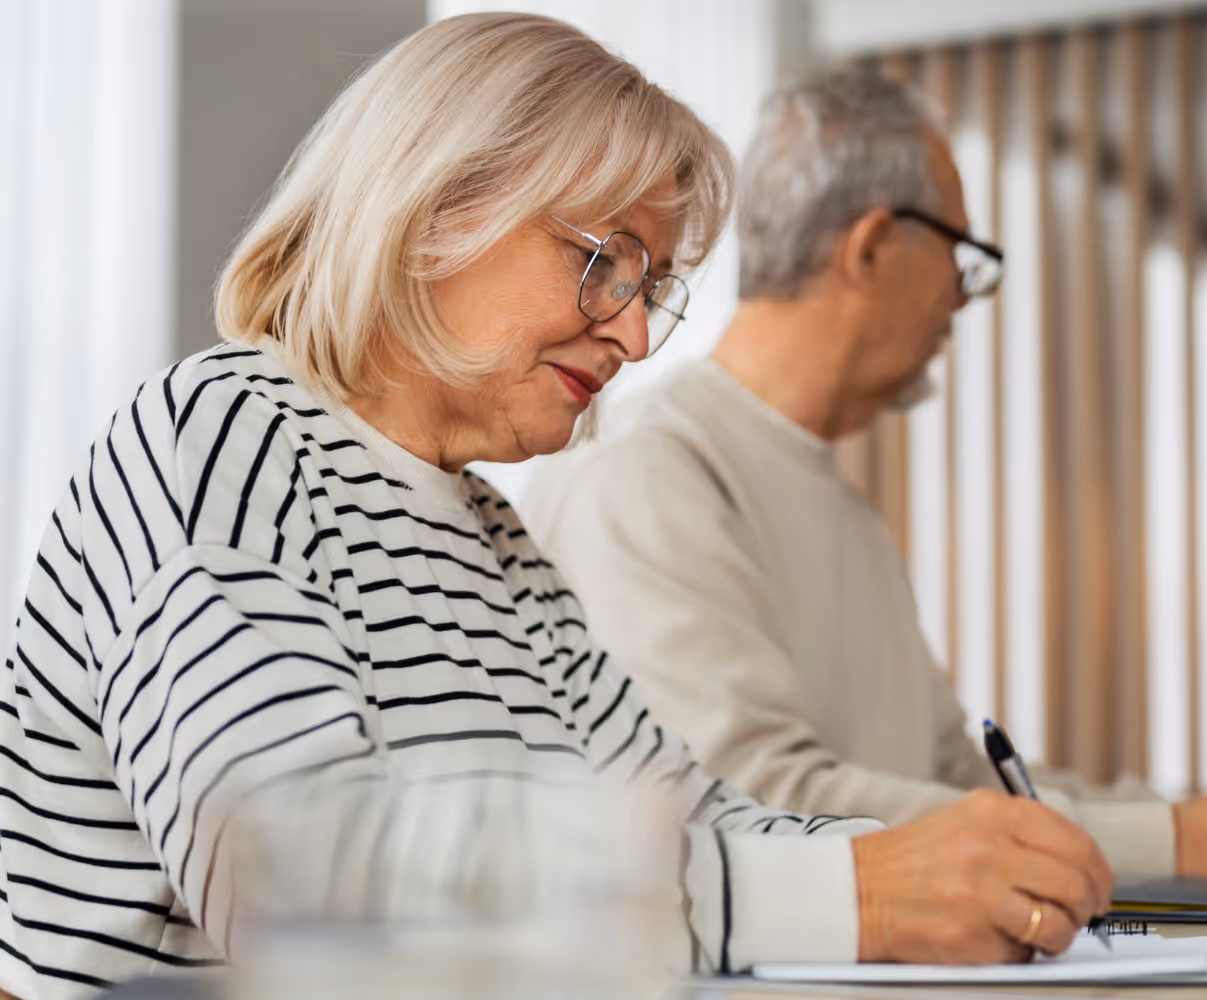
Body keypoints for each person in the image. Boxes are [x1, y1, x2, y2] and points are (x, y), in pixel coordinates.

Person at [0, 17, 1116, 1000]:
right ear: (432, 206)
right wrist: (860, 892)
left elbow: (700, 818)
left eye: (653, 288)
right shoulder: (219, 440)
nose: (633, 336)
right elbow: (306, 887)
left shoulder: (496, 540)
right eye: (603, 262)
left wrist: (935, 858)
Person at [524, 68, 1207, 880]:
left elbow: (954, 776)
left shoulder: (843, 511)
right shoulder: (641, 477)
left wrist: (1188, 820)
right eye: (962, 254)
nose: (963, 298)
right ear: (873, 247)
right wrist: (1176, 843)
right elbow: (754, 803)